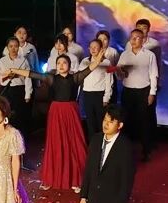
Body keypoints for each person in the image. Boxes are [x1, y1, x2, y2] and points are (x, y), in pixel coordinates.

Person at [7, 50, 107, 192]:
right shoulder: (51, 78)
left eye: (64, 63)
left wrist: (98, 58)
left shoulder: (75, 78)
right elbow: (32, 74)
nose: (61, 65)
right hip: (56, 112)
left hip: (71, 112)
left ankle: (76, 179)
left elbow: (90, 68)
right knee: (55, 143)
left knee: (74, 143)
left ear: (69, 66)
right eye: (58, 63)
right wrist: (13, 70)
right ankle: (50, 179)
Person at [115, 28, 158, 161]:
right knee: (125, 121)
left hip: (143, 91)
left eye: (137, 38)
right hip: (128, 91)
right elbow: (119, 76)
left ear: (143, 40)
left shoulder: (150, 55)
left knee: (144, 121)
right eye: (131, 38)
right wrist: (120, 72)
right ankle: (125, 151)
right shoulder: (124, 55)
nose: (133, 40)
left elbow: (154, 75)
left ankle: (146, 151)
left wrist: (152, 93)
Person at [0, 37, 33, 135]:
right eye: (11, 46)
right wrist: (7, 76)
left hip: (20, 90)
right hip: (6, 90)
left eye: (16, 46)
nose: (13, 48)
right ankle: (6, 136)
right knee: (6, 114)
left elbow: (28, 78)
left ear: (19, 47)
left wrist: (28, 94)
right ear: (7, 48)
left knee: (20, 115)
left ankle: (20, 137)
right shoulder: (1, 61)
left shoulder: (23, 60)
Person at [79, 39, 114, 146]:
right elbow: (80, 77)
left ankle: (102, 145)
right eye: (91, 47)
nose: (93, 49)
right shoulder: (84, 61)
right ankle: (92, 145)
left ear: (101, 49)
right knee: (90, 121)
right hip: (87, 94)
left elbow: (109, 81)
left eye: (96, 47)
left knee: (101, 121)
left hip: (100, 95)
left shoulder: (107, 62)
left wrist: (106, 97)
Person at [137, 18, 162, 157]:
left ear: (148, 29)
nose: (141, 29)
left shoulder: (154, 44)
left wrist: (156, 85)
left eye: (144, 27)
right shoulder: (130, 43)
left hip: (150, 83)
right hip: (136, 84)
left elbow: (157, 66)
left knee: (150, 113)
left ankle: (151, 141)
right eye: (139, 27)